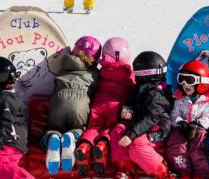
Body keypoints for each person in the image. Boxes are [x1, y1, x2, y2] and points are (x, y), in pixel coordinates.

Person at [75, 37, 135, 176]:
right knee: (111, 128)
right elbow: (133, 88)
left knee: (93, 127)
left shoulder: (103, 69)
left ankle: (84, 146)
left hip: (98, 104)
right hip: (116, 107)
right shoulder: (128, 73)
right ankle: (102, 146)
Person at [43, 36, 100, 174]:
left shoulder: (64, 67)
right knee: (80, 128)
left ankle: (53, 138)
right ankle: (72, 136)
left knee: (53, 128)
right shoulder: (94, 73)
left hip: (58, 105)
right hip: (79, 109)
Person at [114, 51, 176, 179]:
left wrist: (132, 134)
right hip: (141, 125)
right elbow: (134, 103)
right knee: (117, 130)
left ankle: (163, 173)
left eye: (137, 72)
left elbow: (152, 118)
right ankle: (126, 169)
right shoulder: (141, 88)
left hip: (157, 128)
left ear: (145, 75)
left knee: (136, 145)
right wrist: (128, 110)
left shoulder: (156, 94)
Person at [167, 60, 209, 179]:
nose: (184, 84)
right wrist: (180, 123)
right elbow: (174, 113)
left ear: (202, 82)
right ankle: (183, 171)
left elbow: (208, 117)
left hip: (198, 129)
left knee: (198, 145)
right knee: (176, 142)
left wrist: (196, 124)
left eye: (189, 80)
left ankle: (202, 173)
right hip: (181, 128)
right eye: (181, 79)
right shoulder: (179, 98)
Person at [0, 57, 35, 179]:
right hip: (9, 142)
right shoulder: (7, 96)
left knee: (2, 166)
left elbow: (6, 122)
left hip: (9, 143)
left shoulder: (5, 99)